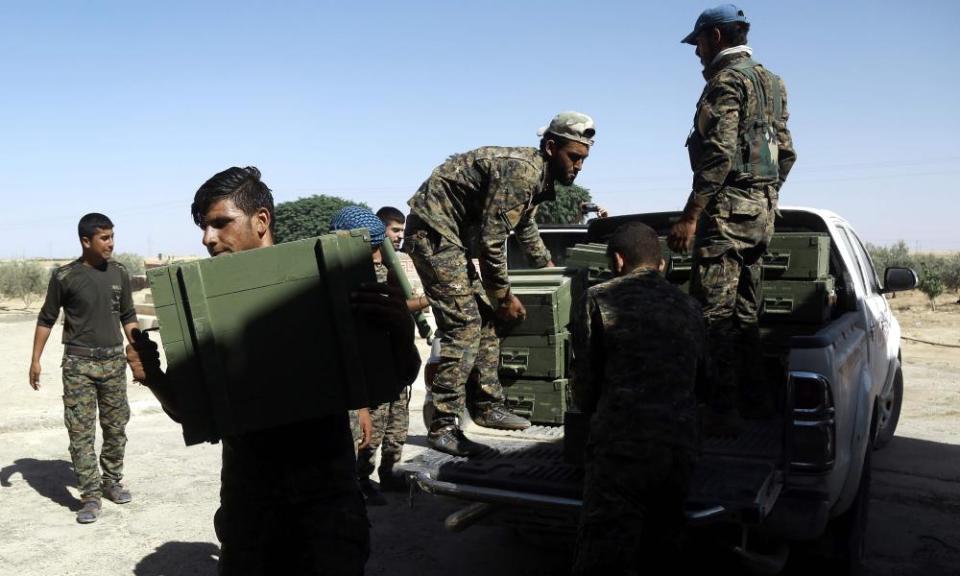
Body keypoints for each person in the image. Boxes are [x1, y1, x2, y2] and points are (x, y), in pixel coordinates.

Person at [126, 167, 411, 575]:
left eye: (220, 223)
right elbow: (195, 416)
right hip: (250, 512)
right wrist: (152, 375)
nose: (208, 238)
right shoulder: (199, 302)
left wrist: (398, 333)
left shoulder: (321, 283)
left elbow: (396, 377)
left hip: (325, 511)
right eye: (204, 227)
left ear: (261, 220)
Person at [404, 111, 595, 457]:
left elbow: (525, 228)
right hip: (432, 235)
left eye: (583, 158)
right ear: (551, 147)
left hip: (450, 239)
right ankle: (444, 426)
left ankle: (488, 404)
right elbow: (493, 242)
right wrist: (504, 295)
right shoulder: (522, 170)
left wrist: (547, 267)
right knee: (464, 326)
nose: (579, 165)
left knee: (486, 319)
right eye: (574, 156)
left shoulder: (536, 177)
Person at [668, 4, 797, 434]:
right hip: (761, 216)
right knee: (746, 315)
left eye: (699, 42)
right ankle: (755, 402)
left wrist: (692, 214)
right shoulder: (772, 82)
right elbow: (787, 151)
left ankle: (721, 411)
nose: (696, 52)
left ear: (716, 38)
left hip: (726, 217)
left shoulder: (727, 81)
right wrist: (767, 197)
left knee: (713, 316)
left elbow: (719, 152)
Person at [571, 222, 707, 574]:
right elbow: (704, 379)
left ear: (618, 261)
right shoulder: (690, 306)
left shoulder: (598, 298)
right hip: (677, 449)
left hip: (620, 449)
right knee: (663, 546)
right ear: (662, 264)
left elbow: (585, 384)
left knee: (604, 554)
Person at [29, 213, 139, 524]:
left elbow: (128, 316)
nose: (111, 244)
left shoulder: (119, 273)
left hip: (114, 362)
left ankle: (112, 481)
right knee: (80, 433)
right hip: (78, 365)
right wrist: (35, 359)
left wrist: (138, 348)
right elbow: (46, 319)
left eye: (112, 236)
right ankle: (90, 495)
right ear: (86, 241)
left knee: (116, 429)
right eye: (105, 238)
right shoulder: (65, 276)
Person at [330, 206, 422, 505]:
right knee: (368, 436)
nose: (381, 251)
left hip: (394, 362)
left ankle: (388, 473)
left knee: (395, 426)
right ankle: (359, 479)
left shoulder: (390, 269)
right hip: (367, 374)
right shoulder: (343, 279)